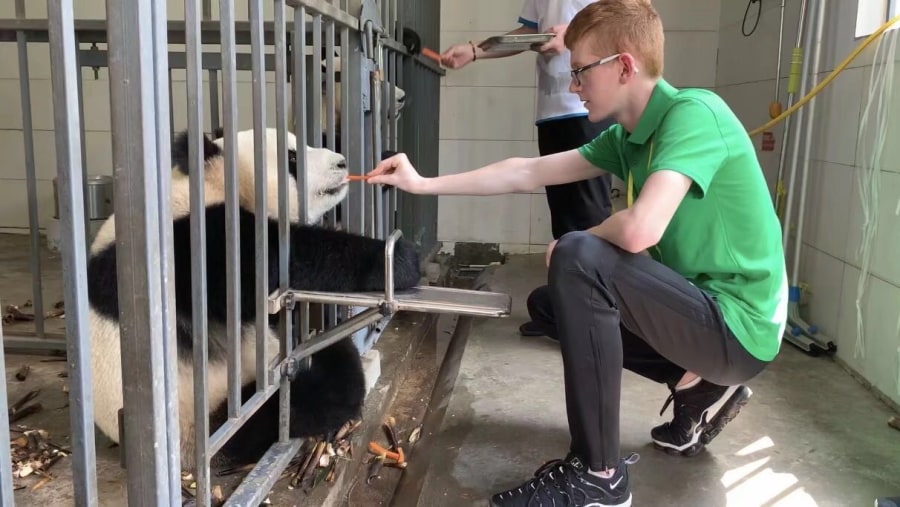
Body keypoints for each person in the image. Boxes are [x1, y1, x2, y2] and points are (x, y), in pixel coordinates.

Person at [368, 0, 788, 505]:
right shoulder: (629, 138)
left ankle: (601, 474)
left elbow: (639, 231)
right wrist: (422, 183)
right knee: (551, 304)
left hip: (741, 330)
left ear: (625, 65)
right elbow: (524, 171)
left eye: (582, 71)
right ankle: (695, 386)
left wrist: (578, 240)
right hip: (705, 317)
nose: (573, 86)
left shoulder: (694, 114)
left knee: (579, 256)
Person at [441, 0, 616, 339]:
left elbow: (633, 16)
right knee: (564, 221)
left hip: (586, 108)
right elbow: (529, 33)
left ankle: (593, 322)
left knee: (588, 218)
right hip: (552, 111)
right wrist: (476, 51)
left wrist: (577, 34)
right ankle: (567, 313)